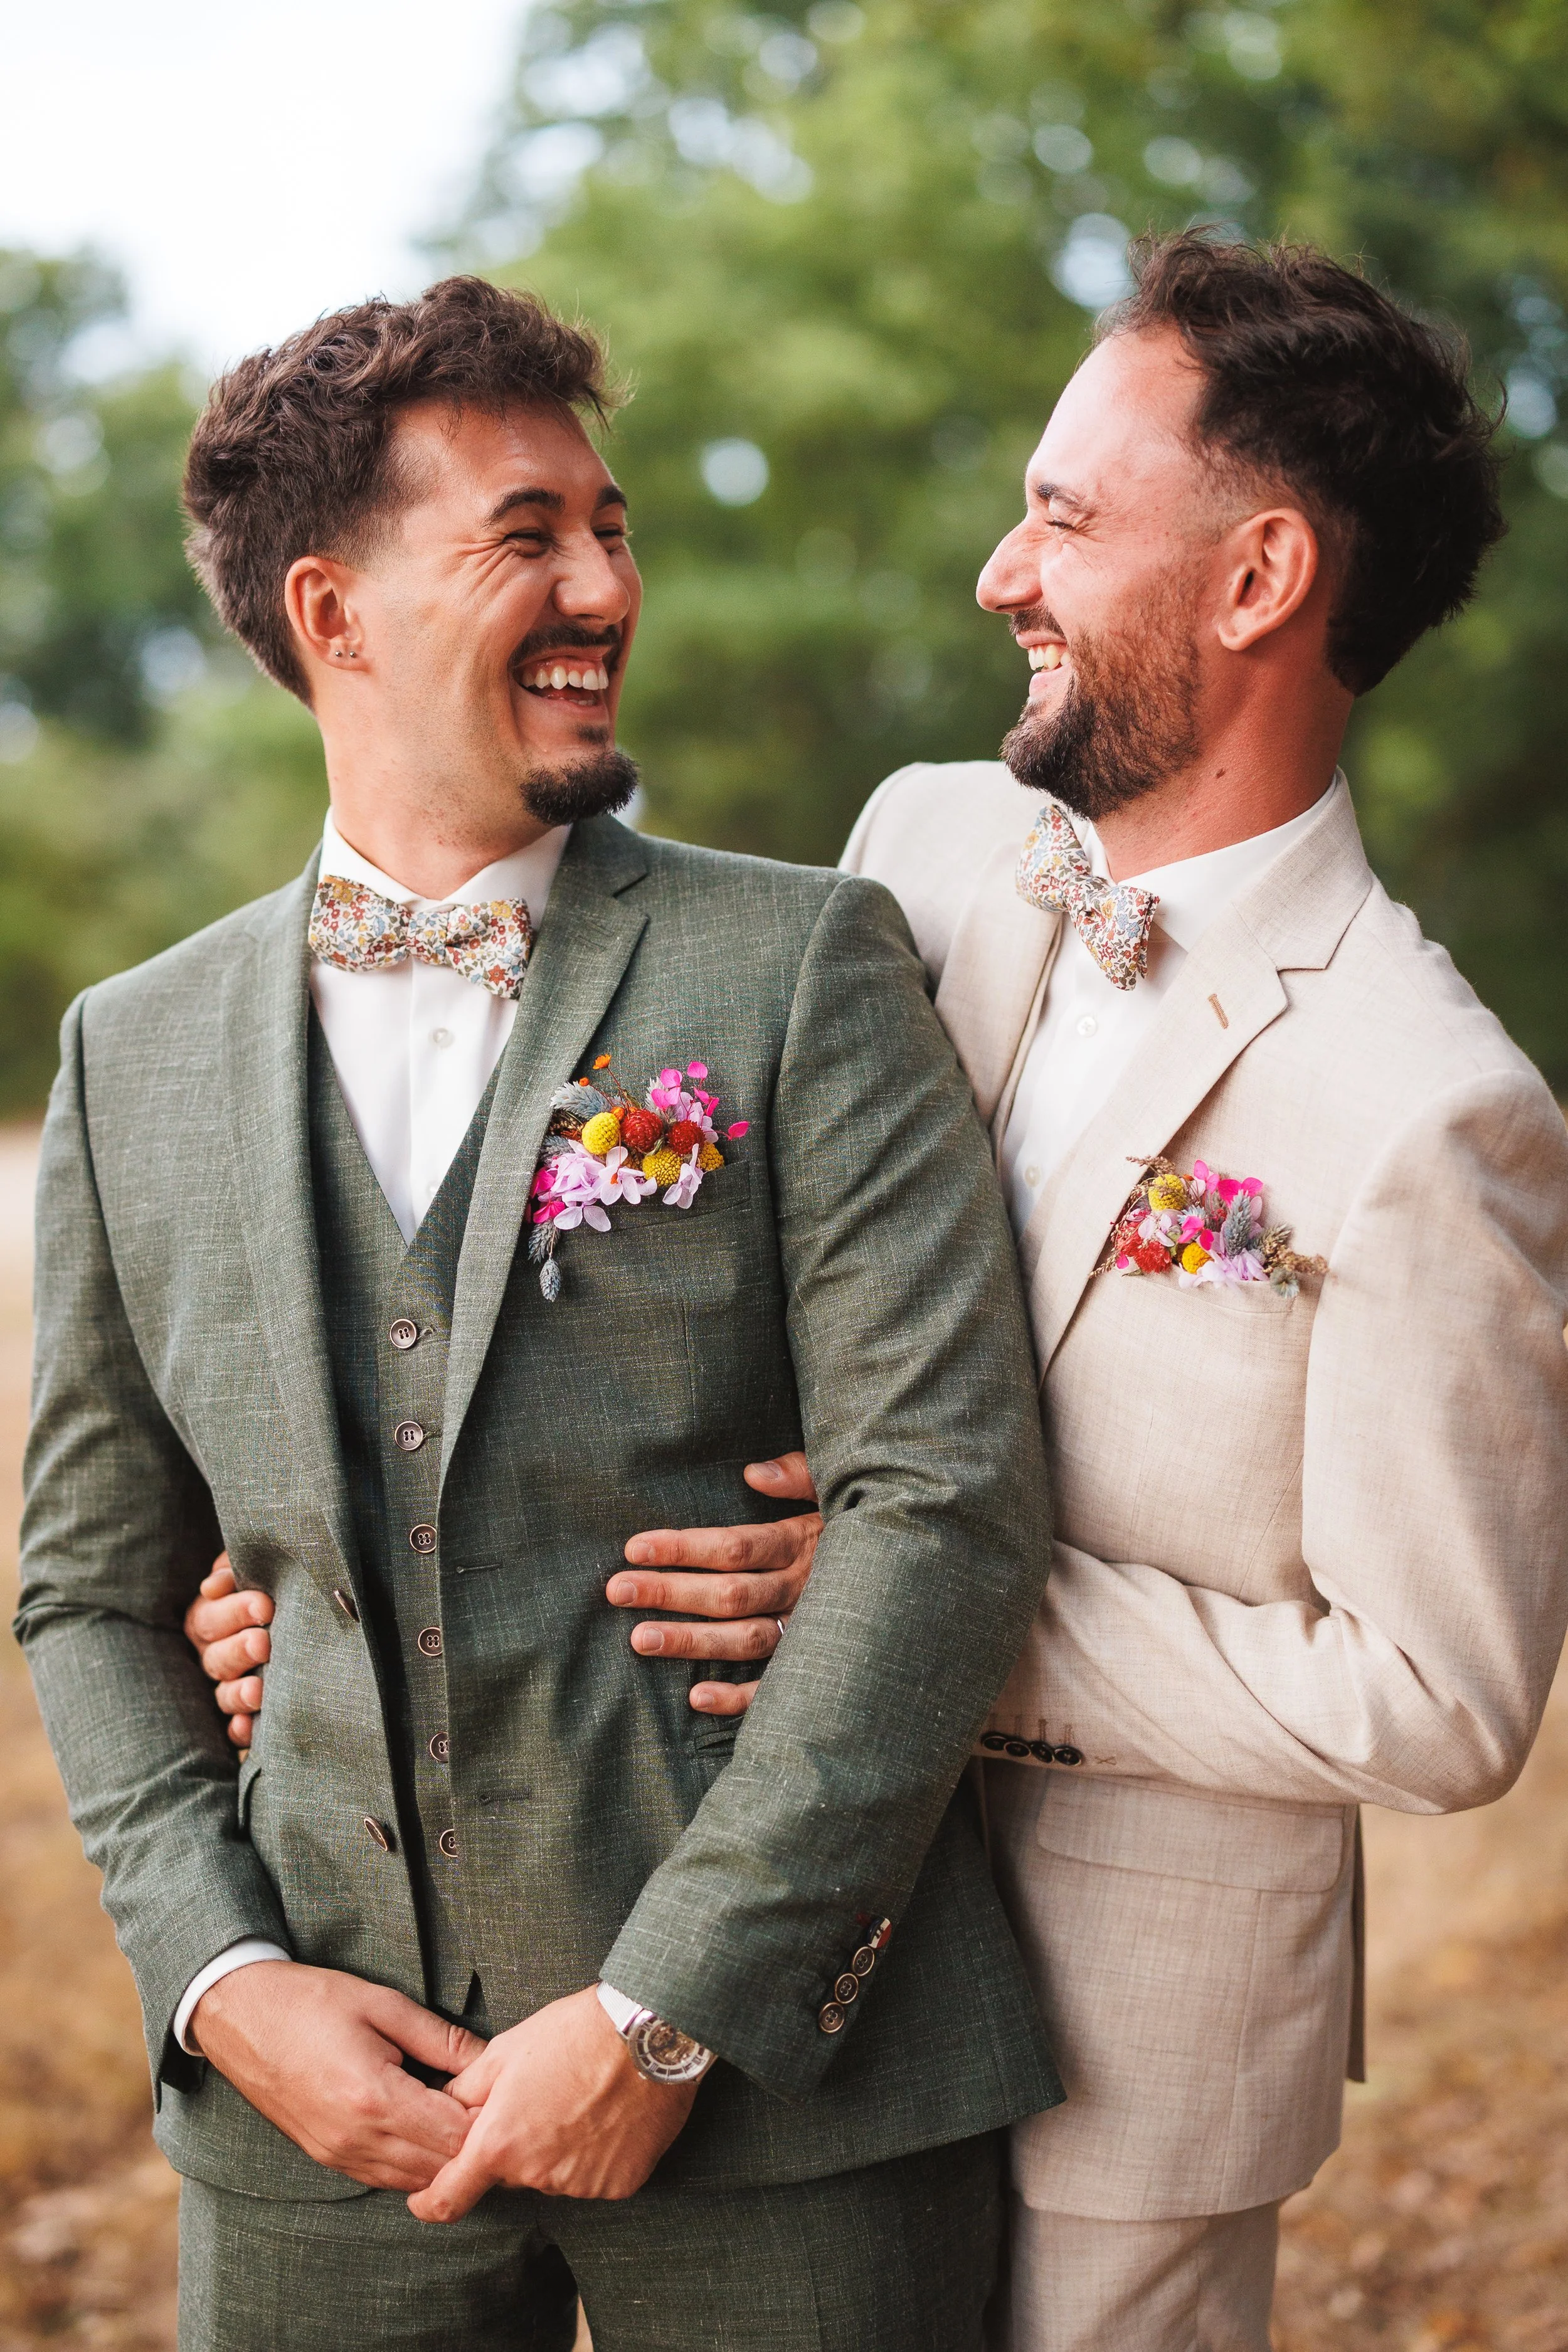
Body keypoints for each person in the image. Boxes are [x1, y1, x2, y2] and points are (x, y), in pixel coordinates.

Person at [188, 235, 1568, 2346]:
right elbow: (684, 1325)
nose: (1000, 573)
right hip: (738, 1944)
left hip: (1130, 2037)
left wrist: (931, 1600)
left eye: (1066, 514)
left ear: (1259, 575)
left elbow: (1442, 1695)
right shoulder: (917, 851)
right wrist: (337, 1585)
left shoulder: (1432, 1107)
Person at [15, 276, 1065, 2352]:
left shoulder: (798, 969)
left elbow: (939, 1499)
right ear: (331, 612)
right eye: (525, 534)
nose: (607, 584)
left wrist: (672, 2011)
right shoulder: (124, 1054)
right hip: (317, 2137)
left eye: (613, 523)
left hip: (795, 2107)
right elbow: (83, 1589)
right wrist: (225, 1983)